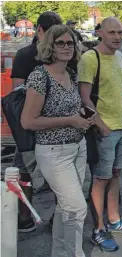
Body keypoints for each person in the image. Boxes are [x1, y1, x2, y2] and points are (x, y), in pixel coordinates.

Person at [21, 24, 94, 257]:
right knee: (76, 207)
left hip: (77, 147)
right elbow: (28, 121)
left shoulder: (71, 74)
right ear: (50, 46)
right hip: (53, 152)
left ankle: (61, 254)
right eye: (60, 43)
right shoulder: (40, 76)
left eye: (70, 43)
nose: (66, 47)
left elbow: (73, 111)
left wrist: (84, 118)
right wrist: (70, 120)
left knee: (66, 207)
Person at [78, 17, 122, 252]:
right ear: (100, 33)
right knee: (100, 179)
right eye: (112, 32)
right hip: (104, 131)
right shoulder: (90, 58)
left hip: (121, 128)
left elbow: (120, 94)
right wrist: (100, 125)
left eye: (120, 32)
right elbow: (85, 97)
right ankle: (98, 230)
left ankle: (115, 220)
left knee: (115, 175)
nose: (117, 37)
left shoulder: (120, 56)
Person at [10, 11, 63, 233]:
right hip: (32, 127)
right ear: (40, 30)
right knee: (24, 170)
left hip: (54, 126)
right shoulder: (25, 54)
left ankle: (55, 218)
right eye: (52, 33)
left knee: (59, 174)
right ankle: (25, 216)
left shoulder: (62, 53)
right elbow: (17, 95)